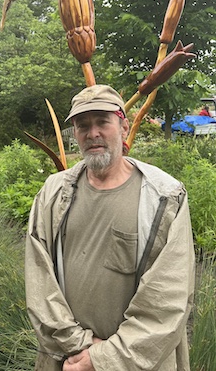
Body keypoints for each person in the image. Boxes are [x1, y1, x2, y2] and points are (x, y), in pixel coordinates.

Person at [25, 84, 195, 371]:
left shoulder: (164, 196)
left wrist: (103, 359)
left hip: (138, 362)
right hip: (67, 358)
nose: (93, 134)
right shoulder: (53, 193)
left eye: (103, 122)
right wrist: (79, 346)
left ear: (123, 126)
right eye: (83, 126)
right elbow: (39, 280)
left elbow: (169, 299)